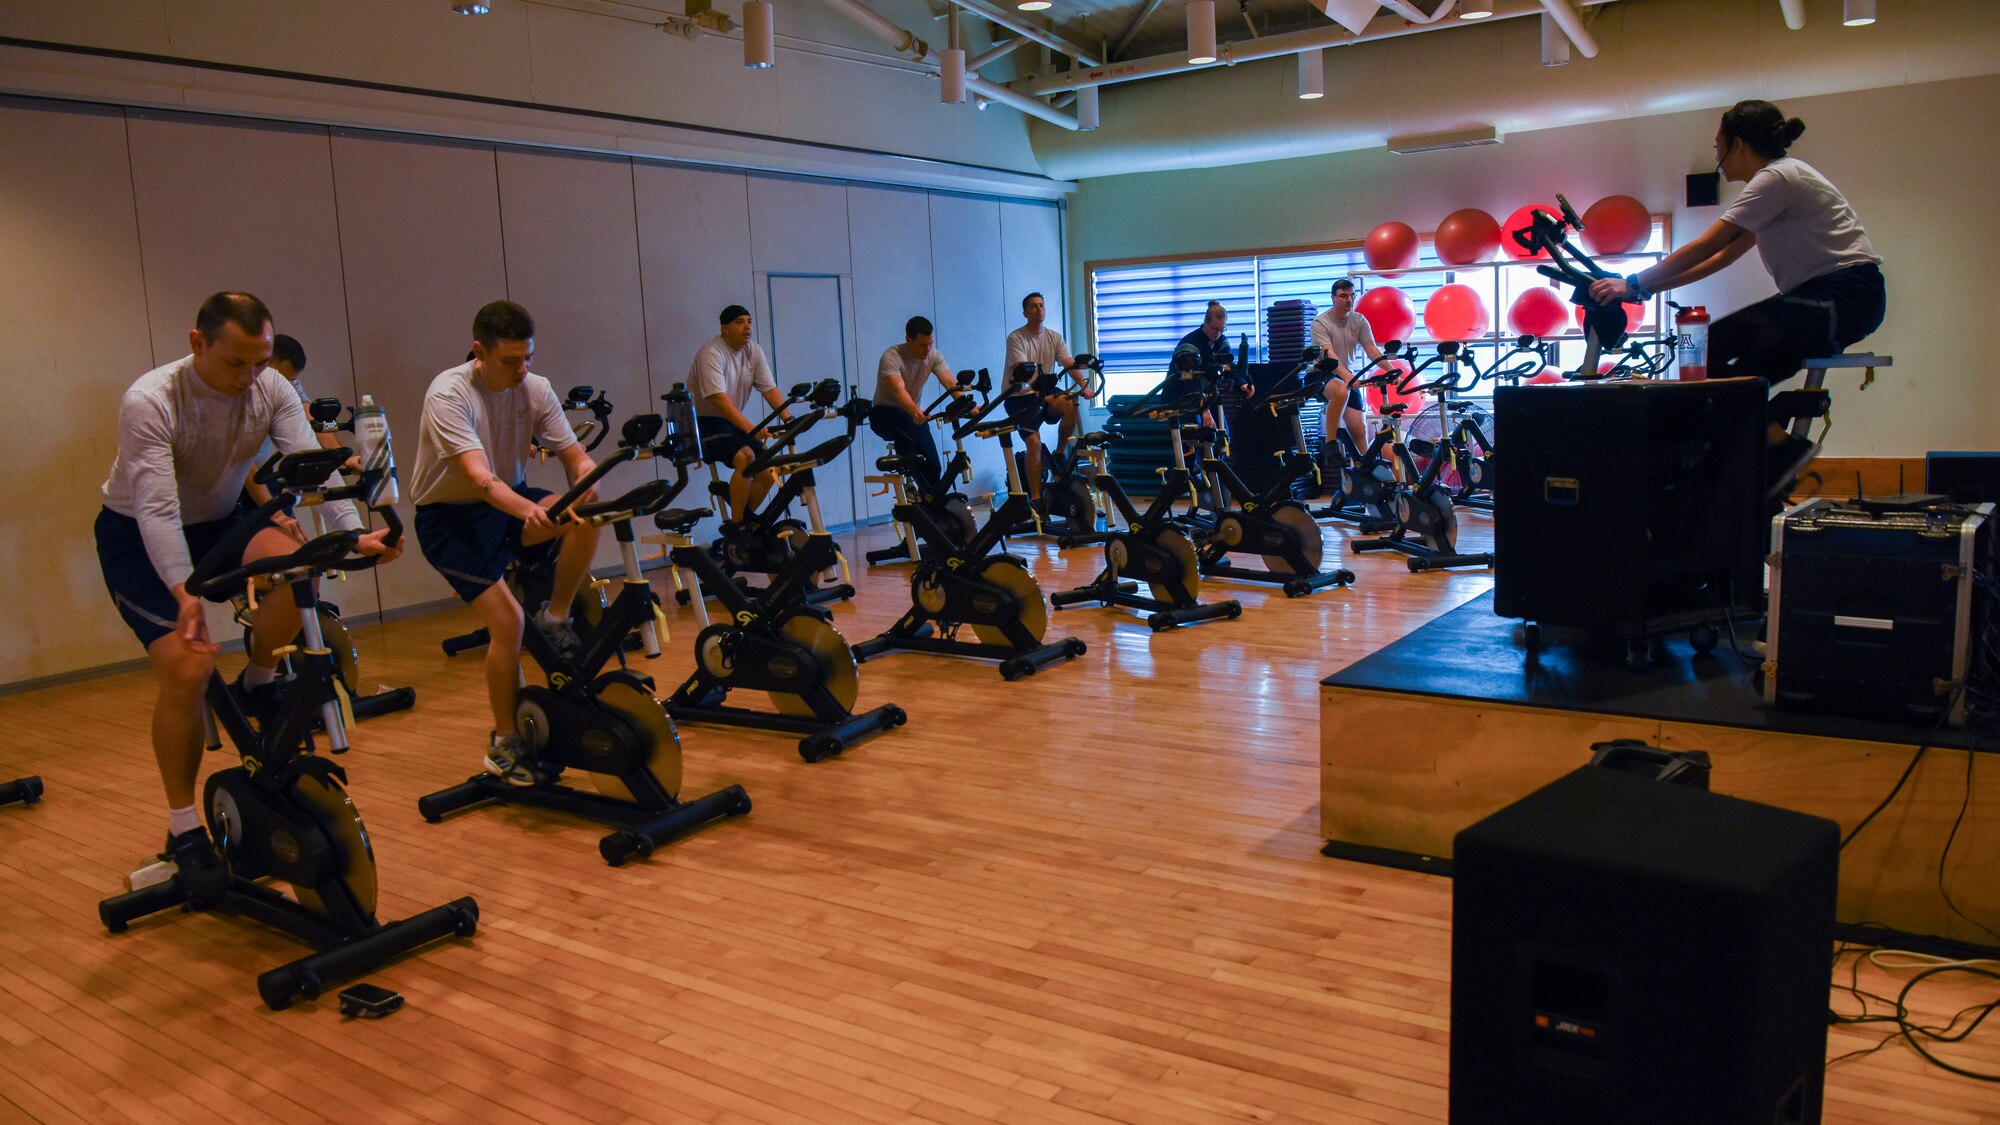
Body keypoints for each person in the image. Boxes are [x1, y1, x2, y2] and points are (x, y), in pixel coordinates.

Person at [95, 292, 398, 895]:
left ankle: (258, 683)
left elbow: (309, 465)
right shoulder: (151, 399)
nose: (250, 377)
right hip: (138, 534)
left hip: (219, 519)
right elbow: (156, 509)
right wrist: (186, 595)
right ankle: (185, 830)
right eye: (237, 363)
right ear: (197, 344)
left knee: (300, 569)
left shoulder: (271, 388)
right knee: (185, 671)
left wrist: (353, 535)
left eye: (260, 362)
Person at [1590, 99, 1885, 495]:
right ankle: (1771, 448)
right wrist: (1644, 291)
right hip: (1832, 299)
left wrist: (1633, 283)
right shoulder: (1777, 185)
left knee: (1715, 345)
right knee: (1725, 372)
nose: (1718, 158)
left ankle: (1781, 449)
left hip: (1846, 294)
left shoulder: (1777, 178)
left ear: (1739, 145)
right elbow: (1722, 260)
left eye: (1719, 147)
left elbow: (1707, 245)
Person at [409, 300, 600, 785]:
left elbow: (574, 455)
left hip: (508, 502)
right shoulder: (450, 393)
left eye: (528, 357)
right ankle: (503, 743)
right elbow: (478, 478)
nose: (523, 368)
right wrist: (529, 512)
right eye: (511, 360)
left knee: (585, 516)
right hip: (450, 519)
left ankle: (556, 618)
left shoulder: (535, 388)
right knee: (508, 623)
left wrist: (585, 480)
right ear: (480, 351)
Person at [690, 304, 790, 521]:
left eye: (749, 321)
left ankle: (745, 521)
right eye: (739, 322)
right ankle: (737, 527)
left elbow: (769, 389)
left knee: (770, 469)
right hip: (702, 422)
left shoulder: (753, 350)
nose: (747, 327)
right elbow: (719, 400)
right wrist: (750, 428)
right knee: (746, 457)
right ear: (724, 329)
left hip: (728, 422)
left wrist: (788, 418)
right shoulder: (711, 353)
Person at [242, 334, 351, 530]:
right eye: (283, 379)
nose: (286, 386)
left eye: (291, 381)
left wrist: (341, 456)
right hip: (233, 483)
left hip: (260, 473)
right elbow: (242, 462)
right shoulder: (244, 388)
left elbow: (311, 420)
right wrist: (275, 514)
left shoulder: (287, 382)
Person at [1002, 292, 1092, 511]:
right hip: (1020, 397)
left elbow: (1068, 363)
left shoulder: (1053, 337)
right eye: (1033, 306)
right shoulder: (1016, 338)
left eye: (1041, 305)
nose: (1039, 309)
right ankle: (1036, 499)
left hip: (1045, 392)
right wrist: (1041, 390)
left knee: (1069, 404)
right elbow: (1024, 371)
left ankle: (1060, 453)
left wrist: (1083, 385)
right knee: (1034, 445)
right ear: (1025, 312)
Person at [869, 315, 962, 485]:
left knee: (933, 466)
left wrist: (967, 405)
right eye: (922, 345)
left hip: (911, 417)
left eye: (930, 344)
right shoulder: (892, 356)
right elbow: (898, 390)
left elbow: (950, 382)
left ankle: (929, 504)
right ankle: (911, 476)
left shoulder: (933, 355)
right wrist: (915, 412)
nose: (927, 350)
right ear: (908, 340)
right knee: (905, 420)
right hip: (883, 415)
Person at [1309, 280, 1385, 456]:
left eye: (1352, 296)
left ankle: (1365, 471)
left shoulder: (1359, 320)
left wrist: (1391, 370)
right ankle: (1330, 443)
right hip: (1322, 373)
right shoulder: (1320, 323)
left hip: (1346, 376)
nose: (1349, 300)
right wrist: (1348, 378)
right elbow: (1329, 354)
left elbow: (1372, 349)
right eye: (1343, 296)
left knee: (1359, 429)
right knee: (1341, 390)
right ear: (1333, 298)